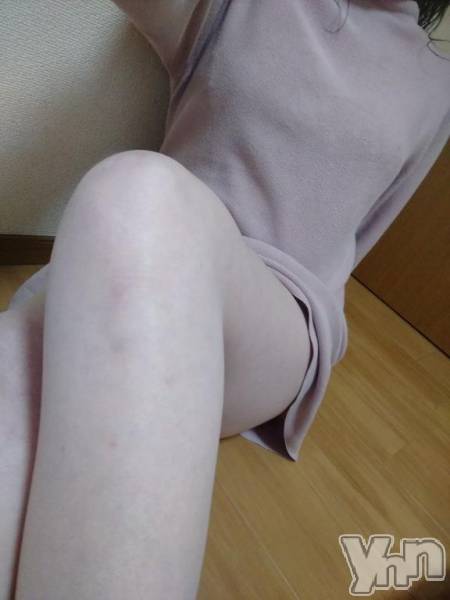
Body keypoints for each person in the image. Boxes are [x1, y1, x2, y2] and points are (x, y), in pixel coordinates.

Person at [2, 1, 449, 598]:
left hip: (274, 314)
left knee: (138, 190)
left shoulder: (437, 83)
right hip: (129, 267)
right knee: (12, 361)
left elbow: (366, 230)